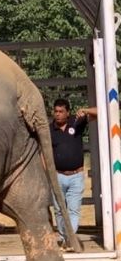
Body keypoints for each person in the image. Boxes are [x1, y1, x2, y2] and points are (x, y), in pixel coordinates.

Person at [49, 98, 96, 248]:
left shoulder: (76, 124)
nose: (58, 114)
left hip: (76, 176)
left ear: (68, 113)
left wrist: (86, 110)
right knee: (59, 210)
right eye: (56, 111)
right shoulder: (49, 130)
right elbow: (43, 152)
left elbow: (101, 112)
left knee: (73, 209)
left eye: (61, 111)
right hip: (57, 176)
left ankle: (70, 238)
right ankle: (64, 238)